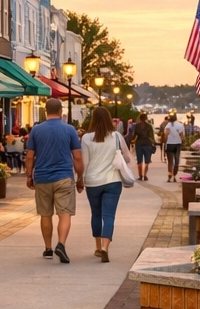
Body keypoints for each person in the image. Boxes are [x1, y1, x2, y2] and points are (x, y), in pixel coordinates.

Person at [23, 97, 83, 264]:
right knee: (65, 213)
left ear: (45, 111)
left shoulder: (36, 130)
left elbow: (29, 156)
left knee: (45, 214)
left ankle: (48, 248)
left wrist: (29, 175)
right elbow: (77, 157)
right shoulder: (70, 129)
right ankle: (61, 244)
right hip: (64, 177)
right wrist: (80, 178)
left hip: (42, 177)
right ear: (60, 111)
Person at [80, 106, 127, 263]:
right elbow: (127, 157)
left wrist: (80, 179)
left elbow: (84, 162)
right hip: (113, 181)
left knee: (96, 214)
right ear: (108, 119)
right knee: (109, 216)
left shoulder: (86, 138)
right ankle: (106, 248)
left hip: (93, 182)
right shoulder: (116, 137)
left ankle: (98, 247)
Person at [131, 112, 156, 182]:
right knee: (147, 161)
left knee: (139, 161)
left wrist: (132, 141)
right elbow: (151, 136)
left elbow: (134, 135)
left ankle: (140, 175)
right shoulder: (149, 126)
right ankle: (145, 175)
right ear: (146, 118)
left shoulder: (137, 126)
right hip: (147, 143)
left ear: (140, 118)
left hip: (139, 143)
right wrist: (153, 143)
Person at [162, 112, 185, 182]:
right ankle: (174, 175)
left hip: (169, 144)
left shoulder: (167, 126)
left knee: (170, 161)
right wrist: (182, 141)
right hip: (178, 144)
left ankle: (169, 175)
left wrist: (164, 142)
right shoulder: (180, 125)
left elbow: (166, 135)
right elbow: (182, 136)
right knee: (177, 160)